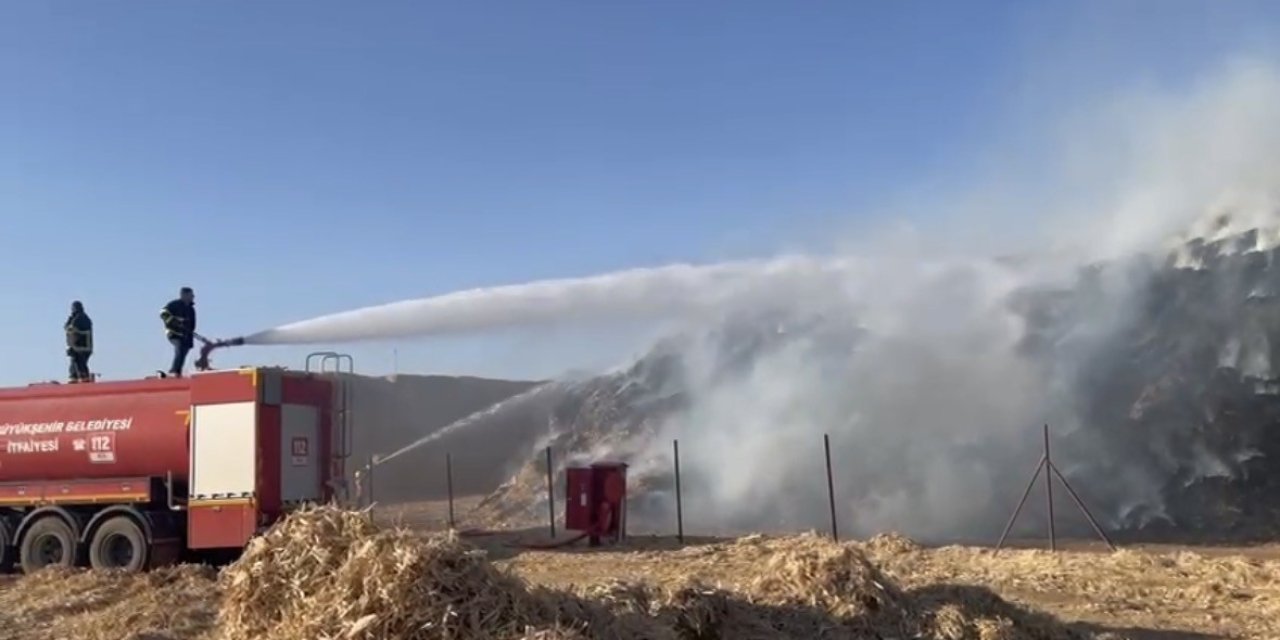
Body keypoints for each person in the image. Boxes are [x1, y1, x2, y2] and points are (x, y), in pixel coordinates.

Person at [160, 287, 197, 377]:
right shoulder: (174, 304)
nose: (193, 297)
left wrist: (190, 330)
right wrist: (173, 321)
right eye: (191, 295)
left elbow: (192, 324)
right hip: (174, 333)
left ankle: (178, 371)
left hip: (186, 335)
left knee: (185, 351)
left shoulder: (191, 309)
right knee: (179, 348)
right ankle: (173, 370)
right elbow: (163, 313)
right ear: (184, 295)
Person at [64, 300, 93, 383]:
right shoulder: (78, 318)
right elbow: (67, 327)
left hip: (82, 346)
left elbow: (71, 328)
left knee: (80, 362)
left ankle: (83, 378)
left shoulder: (82, 318)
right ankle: (75, 377)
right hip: (78, 346)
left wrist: (71, 321)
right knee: (75, 362)